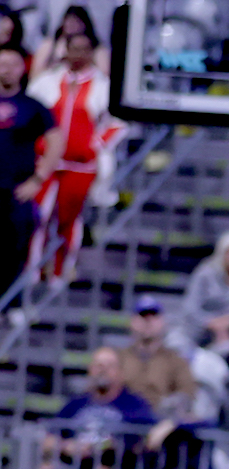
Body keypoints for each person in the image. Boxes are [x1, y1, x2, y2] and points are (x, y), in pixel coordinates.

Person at [26, 29, 114, 281]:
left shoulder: (102, 85)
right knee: (37, 217)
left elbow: (116, 123)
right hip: (46, 162)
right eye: (73, 48)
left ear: (90, 53)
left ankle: (60, 271)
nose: (77, 54)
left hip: (80, 165)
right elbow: (31, 111)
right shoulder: (48, 81)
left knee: (68, 219)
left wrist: (94, 144)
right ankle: (32, 272)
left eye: (83, 49)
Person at [0, 44, 56, 297]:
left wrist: (38, 178)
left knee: (14, 251)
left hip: (16, 193)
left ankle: (10, 304)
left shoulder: (32, 106)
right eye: (2, 64)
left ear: (23, 68)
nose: (6, 70)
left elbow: (57, 140)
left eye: (12, 65)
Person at [175, 230, 229, 352]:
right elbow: (190, 308)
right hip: (195, 332)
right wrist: (211, 322)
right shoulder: (205, 274)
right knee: (176, 346)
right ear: (222, 254)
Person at [117, 296, 199, 422]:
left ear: (162, 322)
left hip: (161, 423)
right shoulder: (119, 359)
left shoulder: (175, 361)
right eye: (143, 315)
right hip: (123, 421)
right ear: (132, 322)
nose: (148, 320)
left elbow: (187, 394)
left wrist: (171, 418)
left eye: (154, 316)